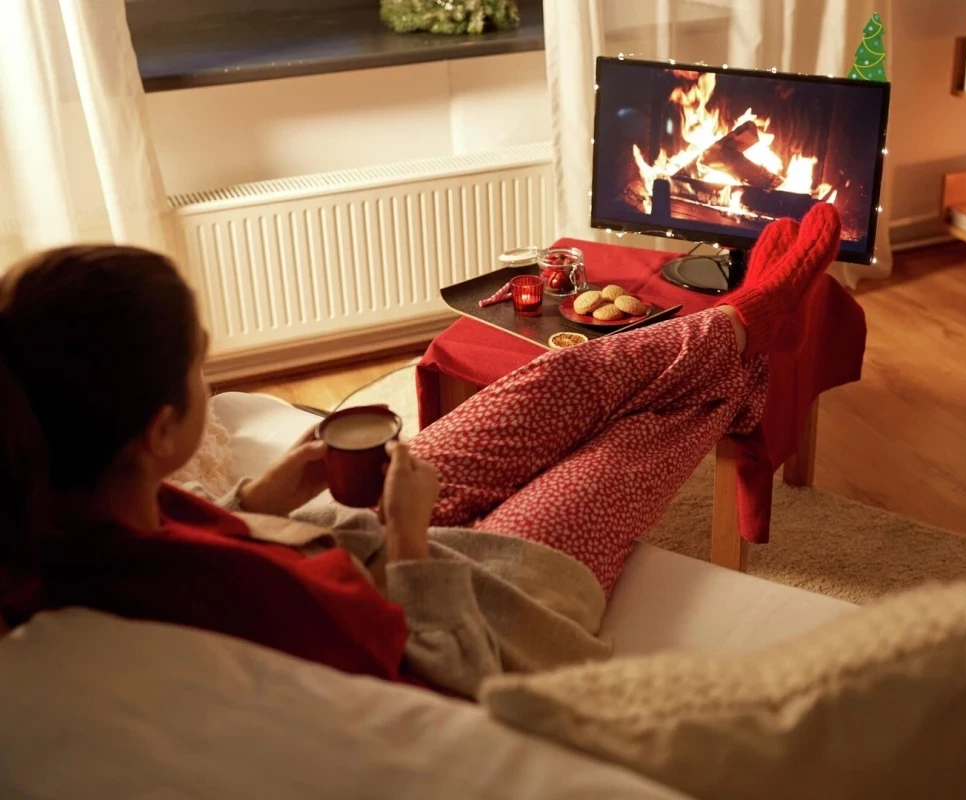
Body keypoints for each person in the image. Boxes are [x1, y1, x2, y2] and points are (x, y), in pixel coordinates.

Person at [0, 207, 842, 697]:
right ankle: (748, 332)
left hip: (351, 534)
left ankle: (745, 328)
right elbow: (443, 679)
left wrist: (261, 499)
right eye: (199, 366)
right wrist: (407, 540)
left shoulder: (61, 514)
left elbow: (187, 541)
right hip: (477, 602)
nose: (207, 378)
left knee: (557, 381)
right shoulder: (226, 598)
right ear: (157, 432)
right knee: (646, 430)